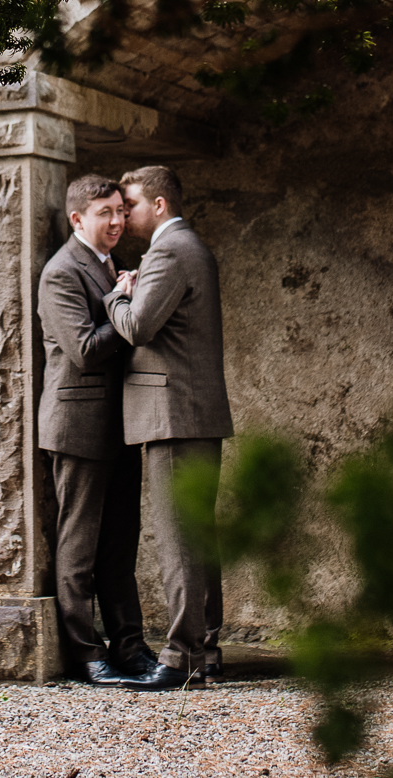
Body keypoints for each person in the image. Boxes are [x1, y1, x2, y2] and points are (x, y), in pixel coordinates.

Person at [36, 173, 170, 690]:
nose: (117, 221)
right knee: (79, 548)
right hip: (76, 425)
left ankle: (131, 647)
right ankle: (87, 656)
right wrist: (122, 302)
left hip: (119, 425)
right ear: (77, 219)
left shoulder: (107, 264)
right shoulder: (61, 272)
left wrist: (120, 291)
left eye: (120, 211)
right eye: (104, 214)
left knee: (120, 544)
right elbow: (86, 349)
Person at [107, 164, 232, 689]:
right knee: (197, 538)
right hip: (192, 412)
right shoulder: (189, 247)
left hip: (172, 414)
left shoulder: (169, 250)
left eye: (130, 204)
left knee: (180, 541)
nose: (124, 214)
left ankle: (181, 660)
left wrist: (118, 294)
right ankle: (206, 651)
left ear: (158, 205)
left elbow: (137, 327)